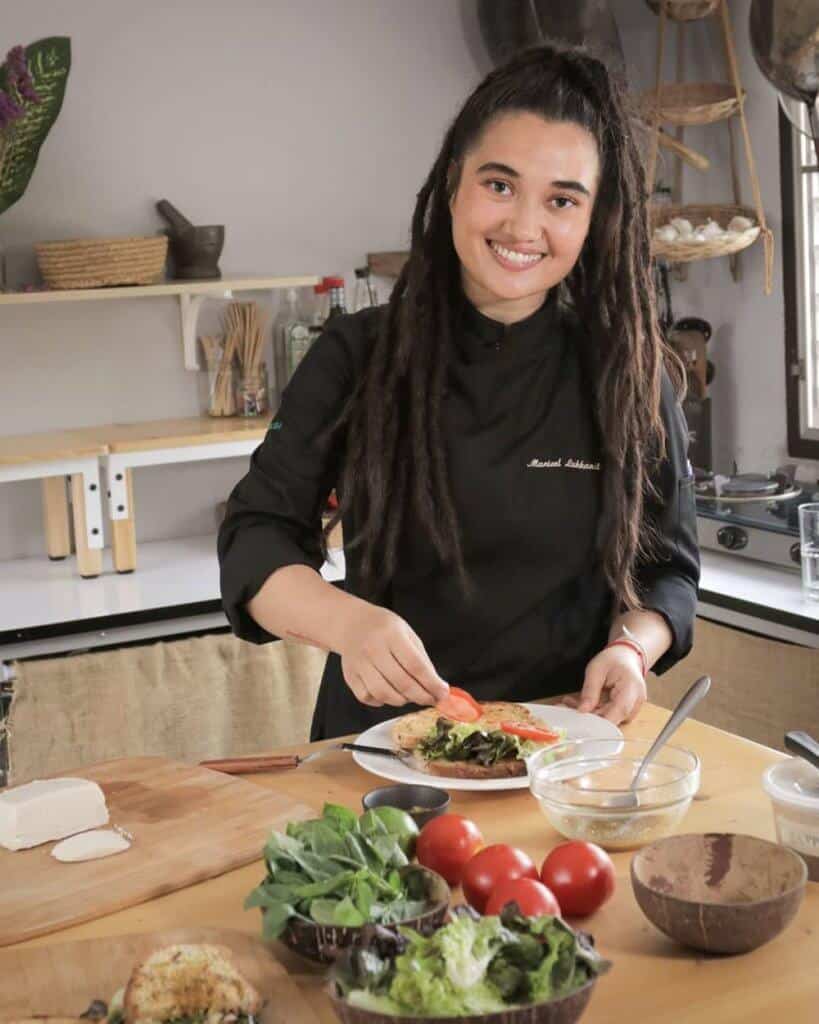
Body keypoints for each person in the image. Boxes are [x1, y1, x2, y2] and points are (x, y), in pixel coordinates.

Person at [218, 43, 700, 741]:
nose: (522, 227)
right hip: (386, 757)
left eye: (561, 200)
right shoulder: (357, 356)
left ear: (594, 220)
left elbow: (667, 575)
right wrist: (348, 623)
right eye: (498, 185)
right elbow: (253, 539)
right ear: (453, 183)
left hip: (564, 748)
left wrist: (631, 649)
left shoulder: (627, 375)